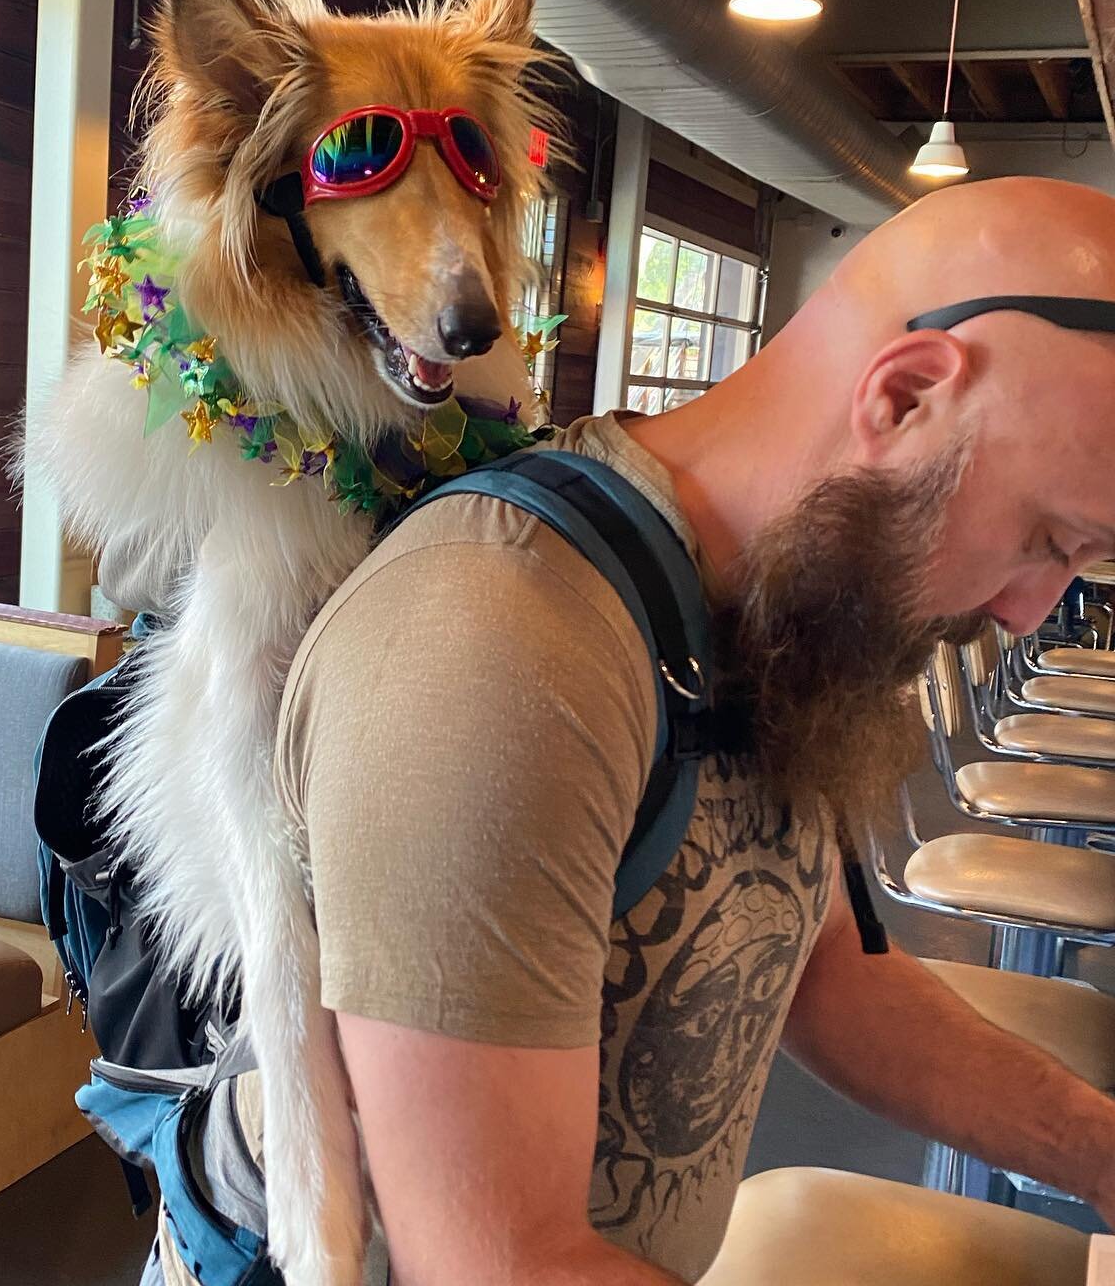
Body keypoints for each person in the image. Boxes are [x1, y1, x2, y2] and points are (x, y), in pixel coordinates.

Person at [274, 175, 1115, 1284]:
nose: (1023, 612)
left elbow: (820, 964)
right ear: (906, 396)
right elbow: (498, 1268)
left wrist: (1101, 1155)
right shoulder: (504, 642)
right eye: (1048, 540)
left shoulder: (788, 605)